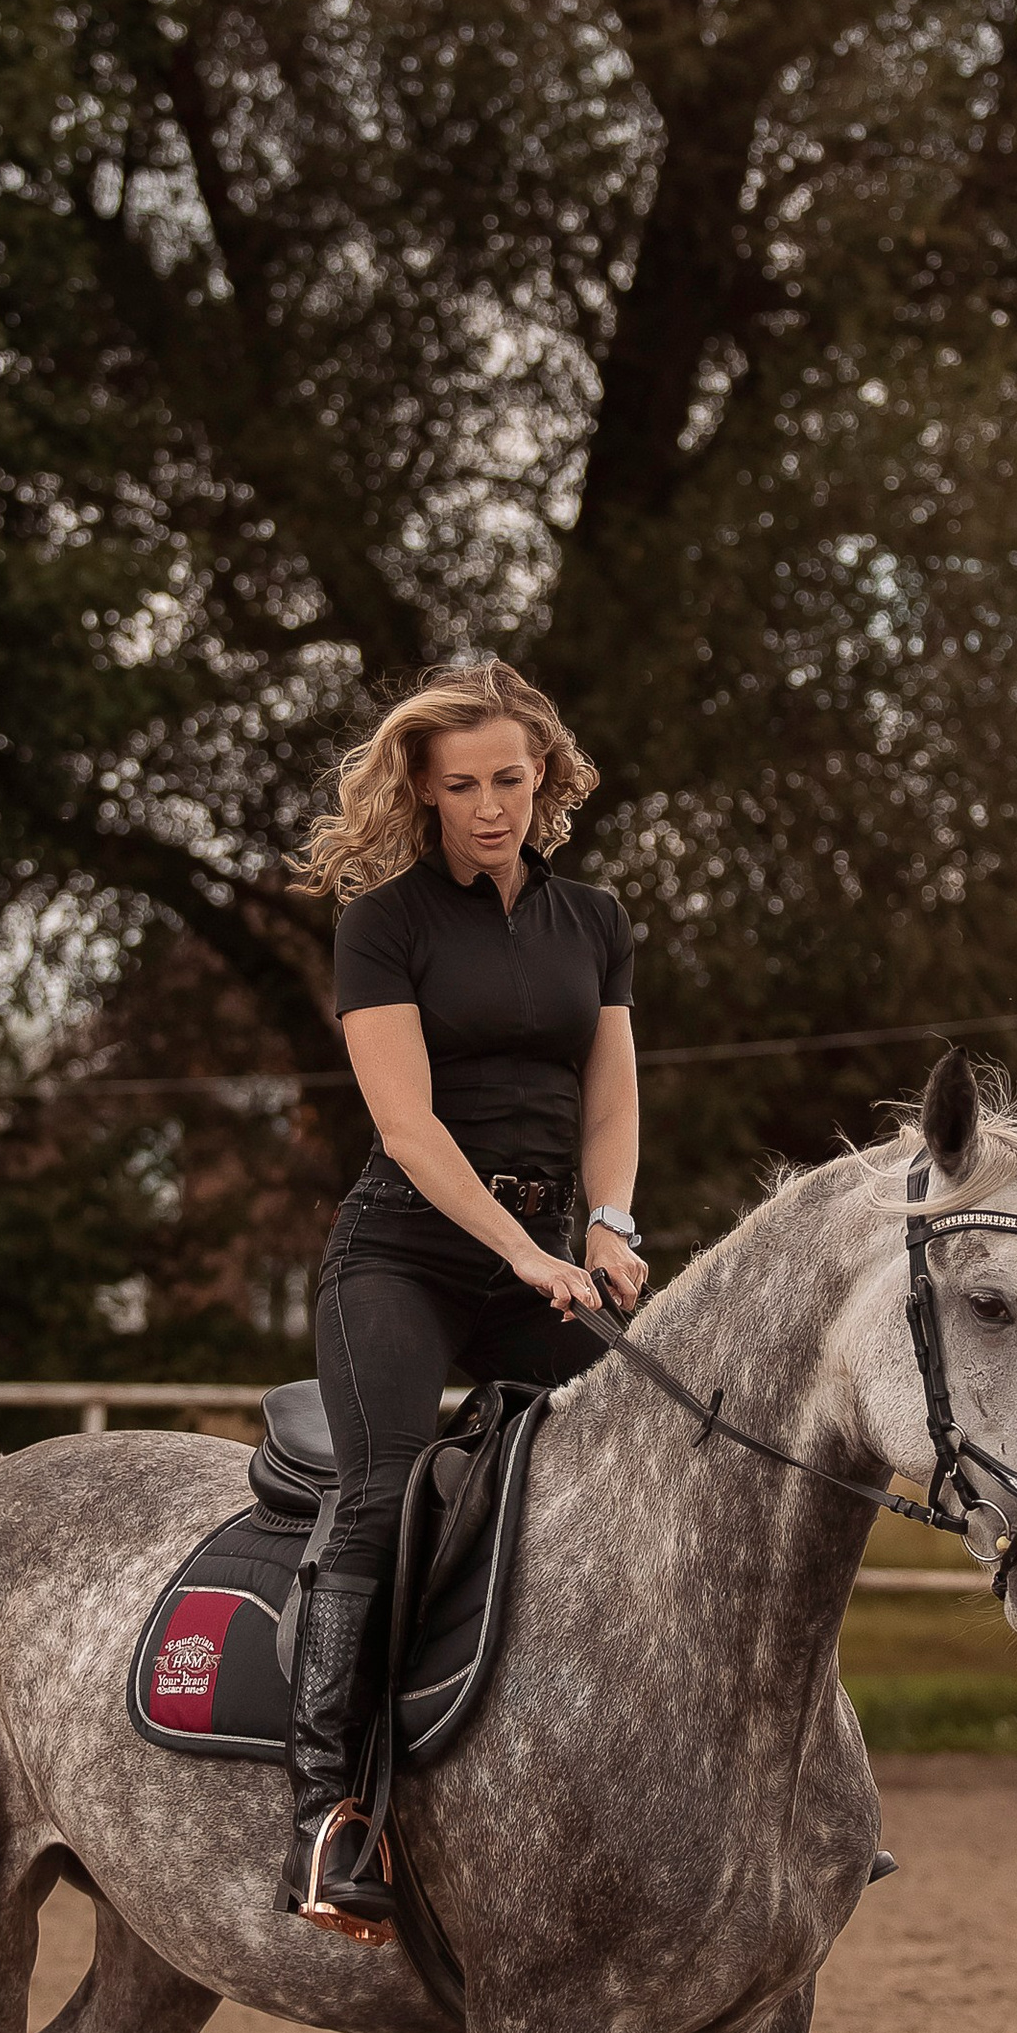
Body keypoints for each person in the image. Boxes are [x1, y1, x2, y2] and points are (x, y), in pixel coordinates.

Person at [281, 659, 650, 1938]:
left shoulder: (593, 918)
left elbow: (609, 1098)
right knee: (382, 1493)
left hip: (551, 1247)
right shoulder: (383, 924)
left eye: (507, 777)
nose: (488, 805)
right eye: (460, 786)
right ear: (423, 795)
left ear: (541, 774)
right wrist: (524, 1254)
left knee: (660, 1476)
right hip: (407, 1250)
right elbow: (407, 1124)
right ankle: (332, 1813)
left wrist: (606, 1223)